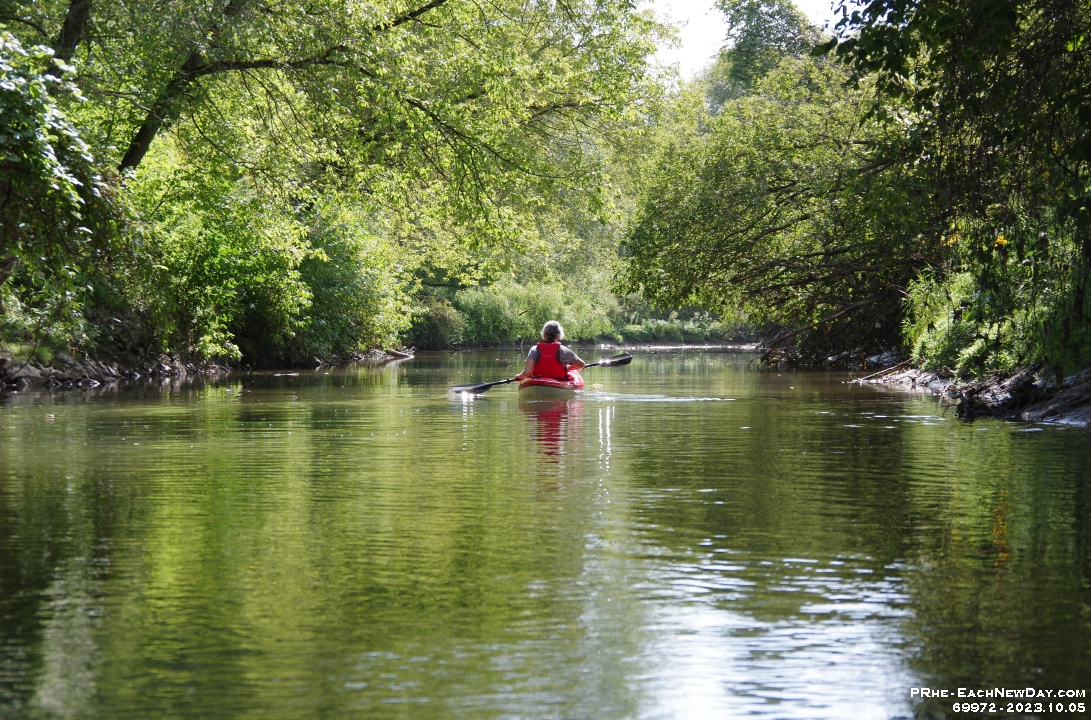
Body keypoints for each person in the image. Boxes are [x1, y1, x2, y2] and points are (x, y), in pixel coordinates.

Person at [517, 321, 585, 380]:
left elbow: (528, 373)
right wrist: (568, 368)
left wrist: (520, 375)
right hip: (559, 381)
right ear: (558, 336)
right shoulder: (564, 350)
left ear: (544, 335)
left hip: (538, 381)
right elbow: (581, 365)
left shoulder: (534, 349)